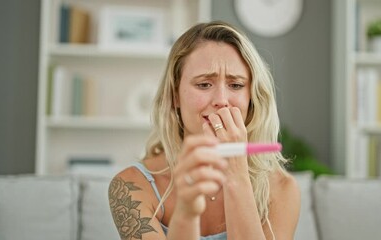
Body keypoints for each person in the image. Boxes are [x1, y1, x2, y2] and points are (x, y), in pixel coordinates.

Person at [108, 21, 301, 240]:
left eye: (236, 85)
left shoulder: (282, 189)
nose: (221, 100)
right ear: (174, 96)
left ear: (252, 99)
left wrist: (235, 172)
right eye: (204, 84)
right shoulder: (131, 187)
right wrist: (187, 211)